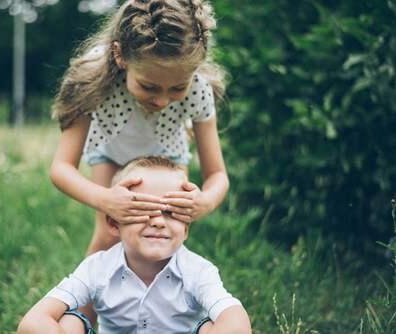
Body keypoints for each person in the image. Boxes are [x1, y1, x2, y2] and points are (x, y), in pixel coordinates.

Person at [50, 0, 229, 257]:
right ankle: (82, 298)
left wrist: (207, 201)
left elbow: (217, 175)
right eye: (149, 87)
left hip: (169, 156)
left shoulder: (199, 88)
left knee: (166, 237)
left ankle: (156, 297)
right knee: (109, 235)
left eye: (178, 88)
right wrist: (105, 199)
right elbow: (61, 168)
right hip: (110, 153)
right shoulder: (92, 80)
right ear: (120, 55)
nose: (162, 101)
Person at [18, 157, 251, 334]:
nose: (159, 221)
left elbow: (237, 322)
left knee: (213, 325)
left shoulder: (198, 271)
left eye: (171, 213)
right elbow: (32, 322)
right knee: (68, 322)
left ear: (186, 228)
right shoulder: (97, 268)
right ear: (113, 223)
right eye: (143, 210)